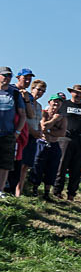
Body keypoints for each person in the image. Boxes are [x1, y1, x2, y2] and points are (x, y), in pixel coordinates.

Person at [53, 84, 81, 201]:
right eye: (76, 93)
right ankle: (57, 191)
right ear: (71, 93)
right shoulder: (64, 105)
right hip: (65, 138)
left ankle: (71, 194)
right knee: (61, 166)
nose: (78, 95)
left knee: (77, 168)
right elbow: (55, 117)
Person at [30, 95, 67, 201]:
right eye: (55, 101)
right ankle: (34, 190)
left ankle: (46, 193)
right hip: (42, 143)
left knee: (52, 169)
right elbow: (43, 127)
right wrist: (54, 120)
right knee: (37, 166)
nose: (56, 104)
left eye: (59, 102)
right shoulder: (44, 113)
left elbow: (62, 132)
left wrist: (49, 131)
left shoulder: (63, 118)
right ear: (49, 102)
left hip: (54, 145)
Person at [14, 77, 46, 196]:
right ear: (32, 88)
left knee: (26, 165)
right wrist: (32, 131)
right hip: (24, 133)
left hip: (34, 137)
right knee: (20, 163)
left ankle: (20, 190)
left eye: (43, 91)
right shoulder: (26, 99)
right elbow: (24, 118)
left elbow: (37, 121)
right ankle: (14, 189)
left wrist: (39, 132)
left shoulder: (39, 105)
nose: (41, 92)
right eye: (39, 89)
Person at [0, 67, 27, 199]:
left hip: (8, 133)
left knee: (5, 164)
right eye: (4, 75)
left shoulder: (14, 93)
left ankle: (0, 190)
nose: (7, 78)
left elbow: (23, 115)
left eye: (9, 76)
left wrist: (17, 132)